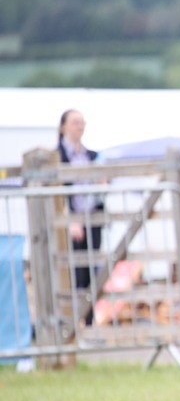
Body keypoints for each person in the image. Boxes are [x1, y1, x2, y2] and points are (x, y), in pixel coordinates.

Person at [57, 109, 102, 303]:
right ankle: (75, 320)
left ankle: (90, 320)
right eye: (75, 122)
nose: (80, 126)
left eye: (82, 122)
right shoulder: (56, 156)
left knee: (92, 271)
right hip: (70, 221)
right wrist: (70, 219)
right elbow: (56, 193)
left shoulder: (92, 156)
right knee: (74, 272)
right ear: (63, 127)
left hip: (92, 217)